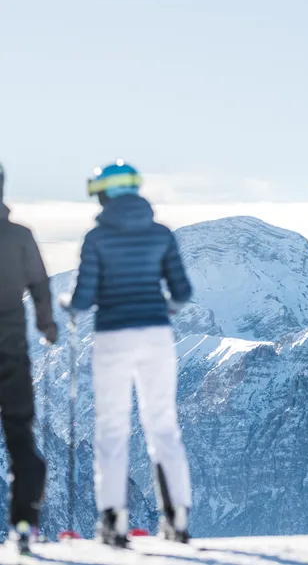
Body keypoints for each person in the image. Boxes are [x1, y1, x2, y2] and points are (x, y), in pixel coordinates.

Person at [60, 160, 192, 546]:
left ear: (104, 193)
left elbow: (83, 299)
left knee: (112, 428)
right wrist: (160, 308)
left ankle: (114, 522)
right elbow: (182, 292)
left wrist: (68, 302)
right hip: (156, 335)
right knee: (163, 425)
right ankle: (177, 517)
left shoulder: (96, 238)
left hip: (113, 337)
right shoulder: (161, 235)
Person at [0, 163, 58, 554]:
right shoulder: (20, 237)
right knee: (21, 436)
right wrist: (47, 326)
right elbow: (39, 284)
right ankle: (24, 523)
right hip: (11, 355)